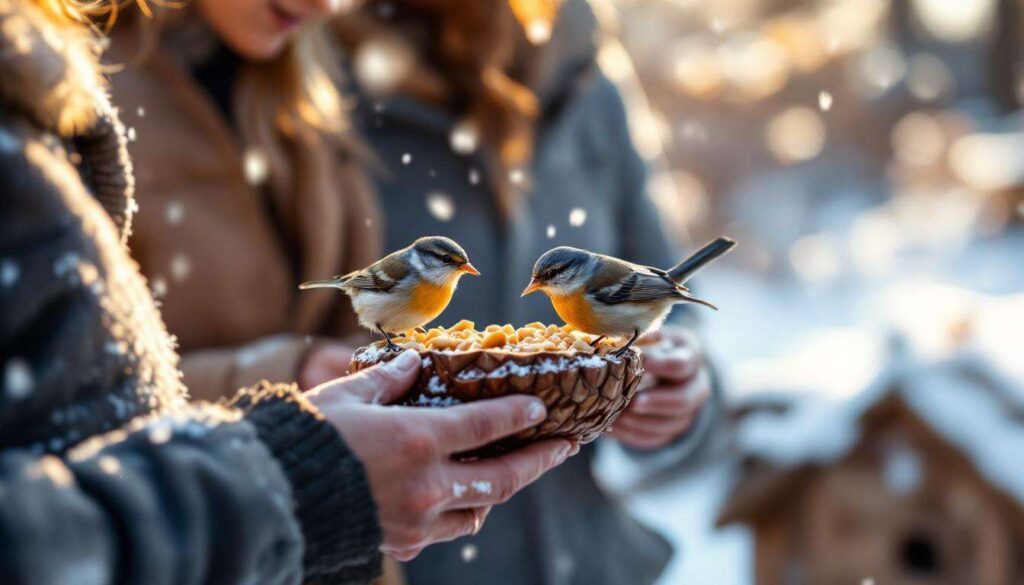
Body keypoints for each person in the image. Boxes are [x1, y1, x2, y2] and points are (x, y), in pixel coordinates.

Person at [0, 1, 575, 582]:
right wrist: (291, 401)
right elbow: (78, 419)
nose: (328, 5)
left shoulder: (306, 75)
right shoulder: (66, 91)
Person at [332, 0, 720, 583]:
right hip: (408, 560)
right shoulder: (313, 83)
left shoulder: (589, 78)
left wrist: (680, 395)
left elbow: (670, 296)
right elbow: (252, 344)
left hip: (592, 560)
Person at [104, 0, 380, 401]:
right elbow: (60, 394)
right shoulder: (63, 97)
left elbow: (350, 319)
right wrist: (284, 376)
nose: (329, 6)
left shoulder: (308, 91)